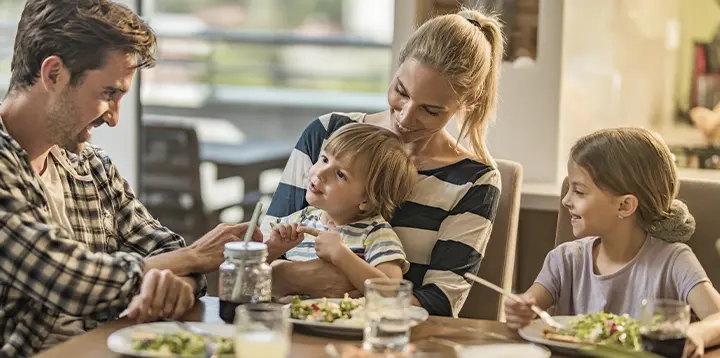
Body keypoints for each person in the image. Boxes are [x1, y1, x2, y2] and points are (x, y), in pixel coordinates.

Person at [0, 1, 259, 355]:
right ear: (54, 74)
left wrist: (173, 281)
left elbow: (165, 249)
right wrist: (194, 258)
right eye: (109, 94)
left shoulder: (92, 167)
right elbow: (68, 278)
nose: (114, 119)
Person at [264, 8, 504, 317]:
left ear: (466, 103)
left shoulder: (474, 181)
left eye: (430, 110)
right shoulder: (327, 134)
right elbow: (255, 258)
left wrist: (345, 288)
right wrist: (296, 277)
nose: (405, 117)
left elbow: (440, 304)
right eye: (400, 92)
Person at [504, 128, 720, 330]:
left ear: (624, 205)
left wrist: (697, 333)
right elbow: (529, 305)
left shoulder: (674, 261)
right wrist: (519, 311)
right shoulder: (564, 260)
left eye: (579, 191)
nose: (566, 201)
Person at [261, 123, 416, 291]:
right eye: (324, 159)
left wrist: (341, 255)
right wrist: (273, 248)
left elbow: (392, 293)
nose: (320, 173)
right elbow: (248, 276)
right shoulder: (296, 221)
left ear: (368, 200)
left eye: (340, 174)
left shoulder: (375, 234)